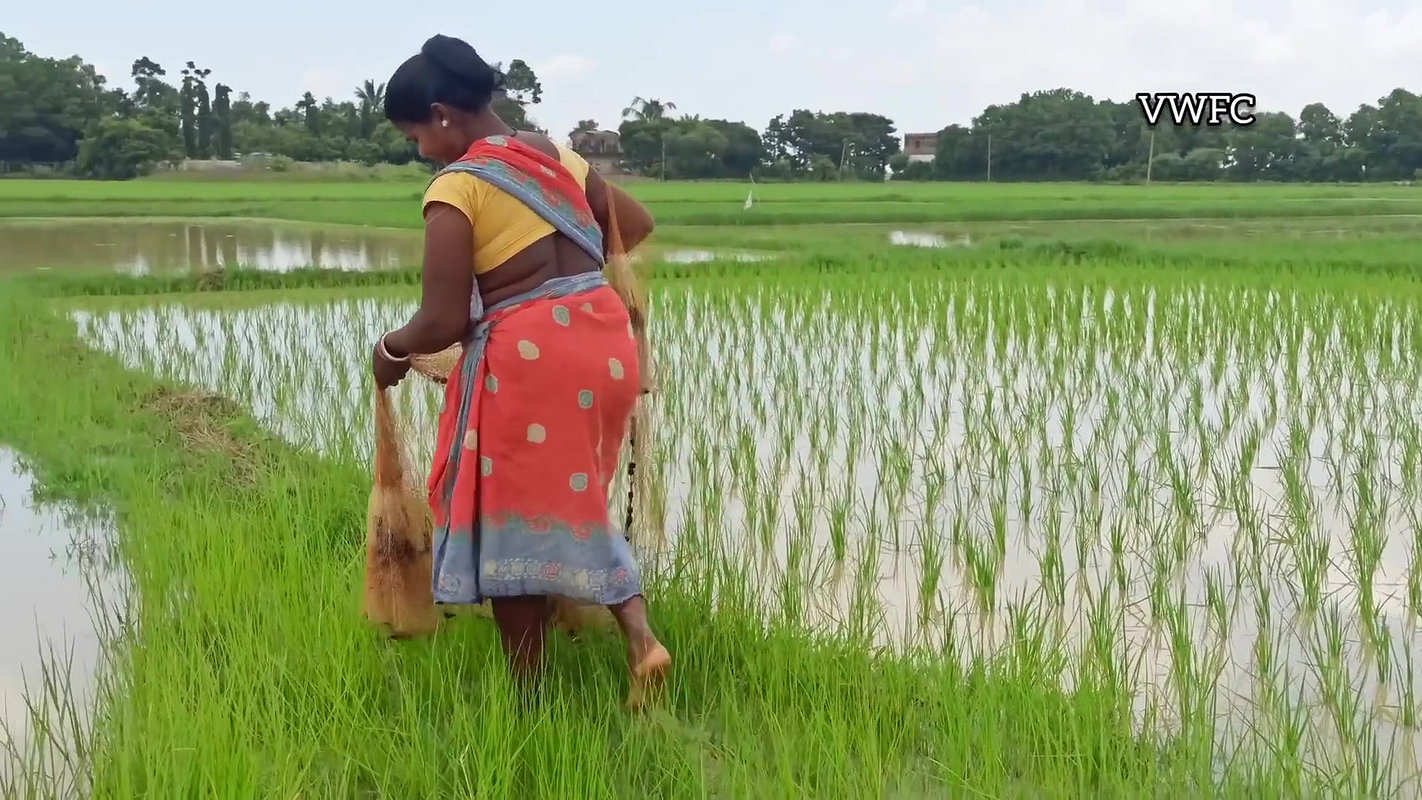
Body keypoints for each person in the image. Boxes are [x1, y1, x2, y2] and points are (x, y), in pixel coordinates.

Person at [370, 34, 669, 705]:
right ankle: (640, 635)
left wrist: (389, 352)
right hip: (603, 342)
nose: (421, 149)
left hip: (533, 361)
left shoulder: (458, 185)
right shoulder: (553, 155)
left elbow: (441, 322)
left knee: (507, 520)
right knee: (573, 501)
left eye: (416, 133)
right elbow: (637, 223)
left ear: (444, 114)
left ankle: (530, 701)